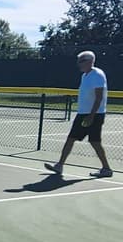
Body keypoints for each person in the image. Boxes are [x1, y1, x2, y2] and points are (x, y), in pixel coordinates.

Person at [45, 50, 113, 178]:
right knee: (71, 138)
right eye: (79, 61)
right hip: (83, 113)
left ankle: (106, 169)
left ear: (90, 61)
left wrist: (91, 115)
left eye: (81, 61)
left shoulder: (97, 75)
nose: (79, 64)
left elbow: (99, 97)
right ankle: (59, 165)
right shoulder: (84, 76)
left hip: (95, 114)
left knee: (95, 141)